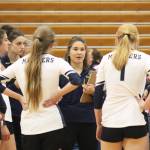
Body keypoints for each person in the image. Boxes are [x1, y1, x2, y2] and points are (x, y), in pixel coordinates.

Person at [0, 26, 81, 150]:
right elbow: (76, 80)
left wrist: (19, 98)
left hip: (29, 126)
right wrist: (57, 95)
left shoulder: (20, 63)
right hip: (52, 123)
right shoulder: (57, 61)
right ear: (52, 44)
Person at [94, 23, 150, 150]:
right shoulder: (145, 58)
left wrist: (98, 124)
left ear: (116, 38)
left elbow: (97, 95)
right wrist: (146, 105)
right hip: (135, 120)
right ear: (136, 39)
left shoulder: (106, 59)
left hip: (110, 122)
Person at [57, 36, 98, 150]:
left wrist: (94, 92)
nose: (79, 52)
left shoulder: (93, 73)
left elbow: (102, 98)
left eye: (82, 49)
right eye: (75, 49)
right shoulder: (60, 73)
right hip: (66, 121)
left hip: (89, 121)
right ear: (68, 52)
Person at [1, 25, 27, 150]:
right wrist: (14, 85)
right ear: (10, 44)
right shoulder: (2, 61)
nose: (22, 46)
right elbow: (3, 88)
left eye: (24, 43)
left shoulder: (26, 63)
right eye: (19, 43)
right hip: (7, 112)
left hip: (23, 111)